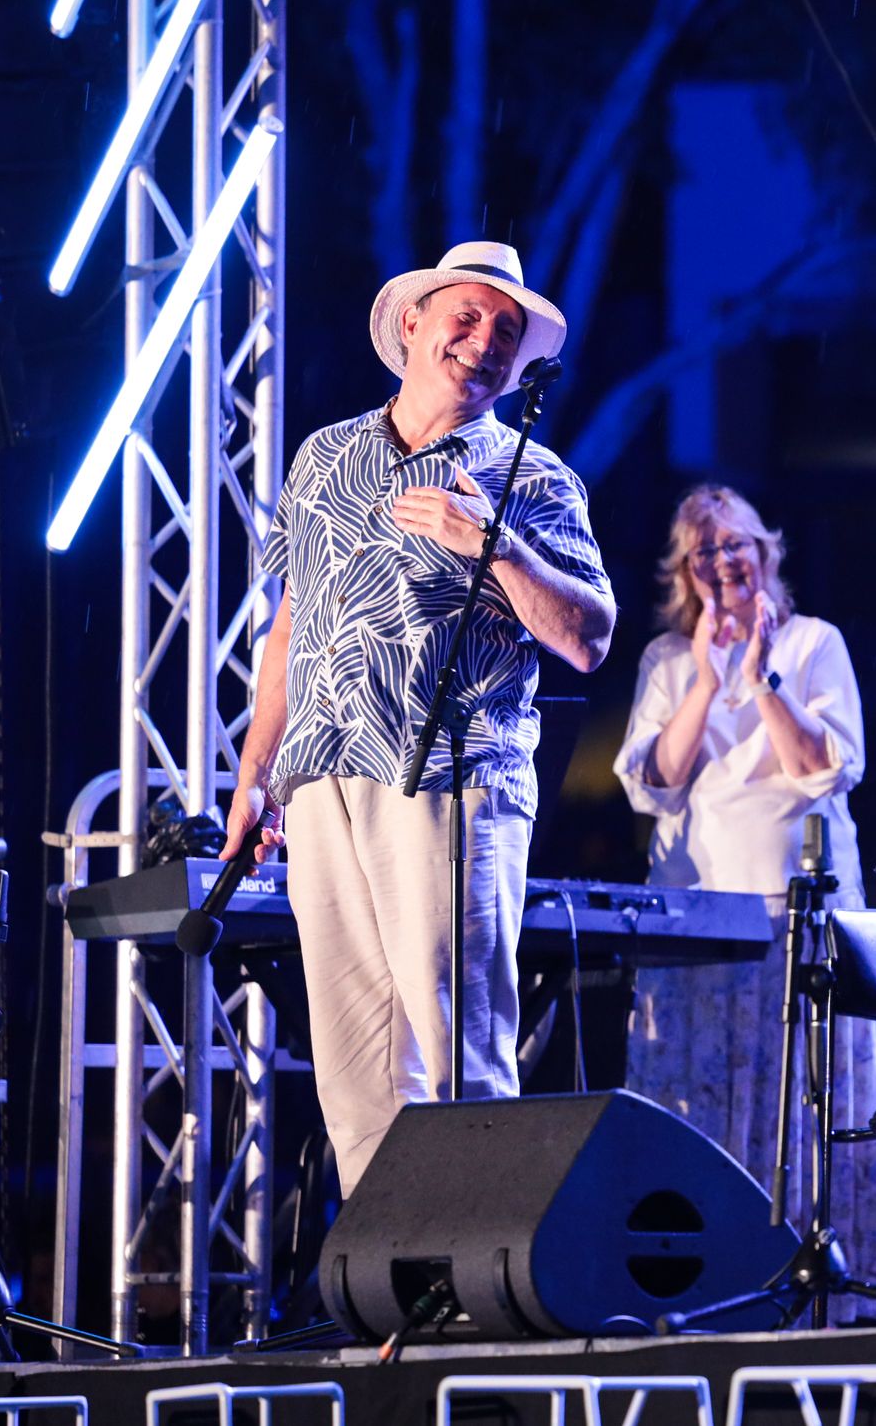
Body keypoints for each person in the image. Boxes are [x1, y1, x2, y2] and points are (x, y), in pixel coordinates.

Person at [224, 241, 615, 1196]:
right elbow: (292, 622)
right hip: (321, 780)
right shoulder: (325, 457)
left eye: (506, 333)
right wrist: (254, 775)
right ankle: (391, 1264)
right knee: (354, 1065)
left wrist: (498, 544)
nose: (485, 342)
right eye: (467, 318)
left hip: (450, 774)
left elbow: (590, 636)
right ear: (413, 323)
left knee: (456, 1045)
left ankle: (482, 1258)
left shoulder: (531, 477)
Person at [613, 484, 876, 1288]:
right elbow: (657, 781)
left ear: (765, 552)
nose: (723, 561)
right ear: (685, 572)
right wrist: (709, 679)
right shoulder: (667, 660)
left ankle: (820, 1291)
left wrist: (760, 675)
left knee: (806, 1114)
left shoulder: (814, 643)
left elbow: (822, 768)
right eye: (703, 550)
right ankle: (701, 1286)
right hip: (699, 927)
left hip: (800, 926)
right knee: (696, 1118)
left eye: (735, 542)